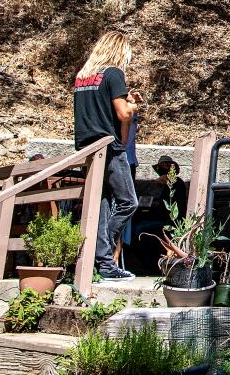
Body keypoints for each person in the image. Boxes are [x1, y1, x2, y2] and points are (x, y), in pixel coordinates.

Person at [73, 29, 143, 281]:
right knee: (128, 202)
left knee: (102, 204)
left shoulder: (83, 77)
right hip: (108, 148)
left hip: (86, 149)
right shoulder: (114, 73)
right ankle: (102, 249)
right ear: (119, 51)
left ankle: (104, 265)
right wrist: (132, 105)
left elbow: (101, 109)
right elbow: (123, 115)